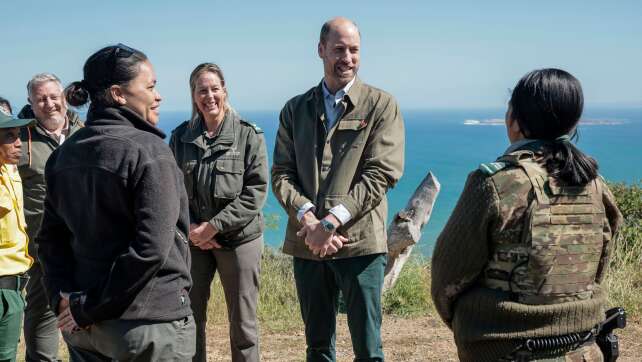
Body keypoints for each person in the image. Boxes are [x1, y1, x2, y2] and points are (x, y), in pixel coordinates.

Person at [431, 68, 623, 361]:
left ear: (515, 121)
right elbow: (600, 264)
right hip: (583, 348)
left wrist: (465, 321)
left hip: (504, 349)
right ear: (572, 122)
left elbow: (448, 274)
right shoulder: (595, 185)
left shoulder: (495, 183)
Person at [35, 43, 195, 361]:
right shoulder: (149, 151)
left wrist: (63, 300)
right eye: (150, 86)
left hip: (85, 332)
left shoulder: (62, 155)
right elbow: (149, 250)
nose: (158, 95)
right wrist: (86, 308)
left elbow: (49, 242)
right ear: (118, 94)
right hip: (145, 327)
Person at [271, 17, 405, 361]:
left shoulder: (380, 105)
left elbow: (382, 173)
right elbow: (281, 174)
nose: (347, 57)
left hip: (359, 244)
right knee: (317, 346)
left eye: (354, 50)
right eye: (339, 49)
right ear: (321, 50)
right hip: (307, 244)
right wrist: (310, 220)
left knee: (368, 348)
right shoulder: (295, 109)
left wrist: (329, 222)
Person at [170, 63, 268, 362]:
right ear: (193, 95)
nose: (209, 96)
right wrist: (191, 230)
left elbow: (255, 192)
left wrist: (212, 227)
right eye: (202, 90)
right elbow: (171, 190)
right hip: (194, 242)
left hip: (239, 240)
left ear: (224, 91)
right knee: (188, 318)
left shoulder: (248, 135)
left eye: (214, 89)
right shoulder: (181, 137)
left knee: (243, 325)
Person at [16, 73, 84, 362]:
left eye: (54, 96)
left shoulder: (87, 132)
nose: (49, 103)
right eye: (41, 98)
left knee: (84, 319)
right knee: (42, 318)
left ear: (64, 98)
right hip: (42, 250)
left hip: (85, 247)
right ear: (31, 104)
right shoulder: (19, 141)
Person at [0, 110, 35, 362]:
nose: (18, 142)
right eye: (9, 136)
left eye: (19, 134)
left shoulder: (9, 172)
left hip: (13, 288)